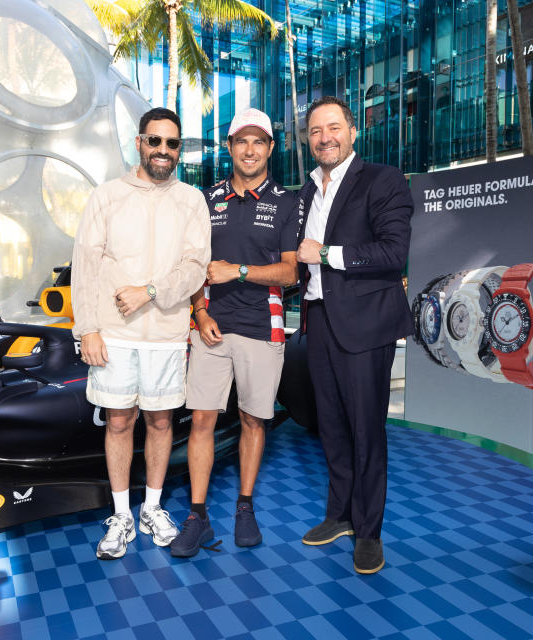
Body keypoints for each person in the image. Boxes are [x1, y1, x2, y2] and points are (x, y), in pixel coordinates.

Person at [71, 107, 210, 560]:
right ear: (139, 142)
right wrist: (87, 328)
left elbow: (195, 269)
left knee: (162, 421)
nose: (163, 151)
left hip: (167, 333)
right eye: (155, 141)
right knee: (117, 421)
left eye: (172, 144)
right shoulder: (107, 196)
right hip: (113, 334)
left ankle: (151, 507)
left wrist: (150, 292)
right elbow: (85, 267)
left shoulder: (192, 200)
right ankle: (121, 515)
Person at [170, 108, 300, 557]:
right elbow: (193, 269)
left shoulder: (286, 201)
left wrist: (238, 271)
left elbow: (289, 273)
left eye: (258, 141)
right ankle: (198, 515)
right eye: (241, 141)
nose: (250, 149)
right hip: (211, 330)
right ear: (229, 148)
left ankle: (245, 506)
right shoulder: (206, 200)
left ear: (270, 148)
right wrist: (199, 312)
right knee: (202, 421)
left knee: (252, 419)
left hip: (264, 329)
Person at [295, 96, 413, 574]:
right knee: (333, 427)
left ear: (352, 131)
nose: (325, 137)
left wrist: (324, 254)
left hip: (365, 324)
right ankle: (340, 515)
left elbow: (392, 252)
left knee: (367, 430)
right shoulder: (307, 191)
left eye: (333, 127)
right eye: (316, 131)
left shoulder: (383, 180)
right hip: (319, 319)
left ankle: (369, 532)